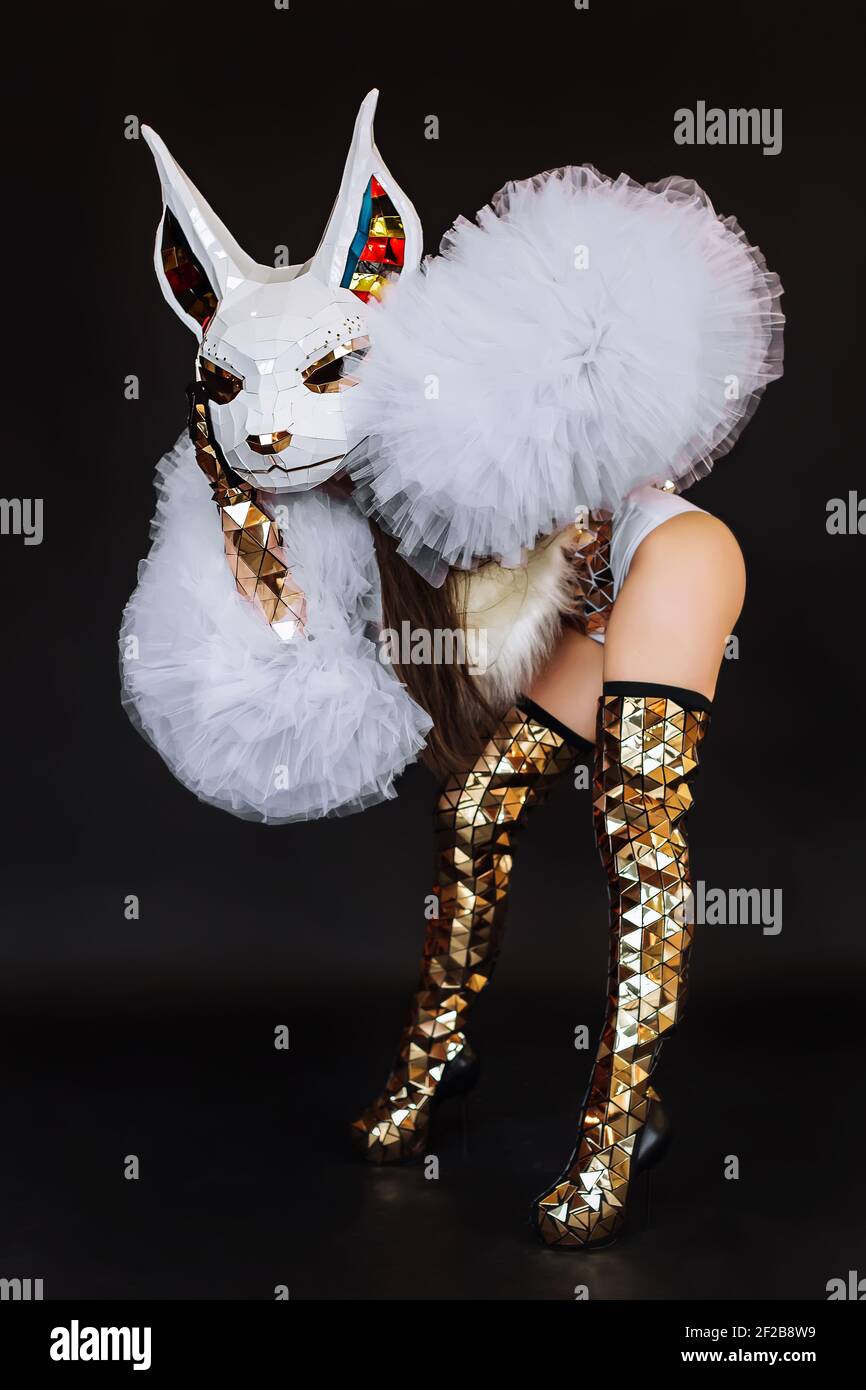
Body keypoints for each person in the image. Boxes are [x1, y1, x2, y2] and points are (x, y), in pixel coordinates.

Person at [122, 91, 784, 1250]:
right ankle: (440, 1055)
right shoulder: (304, 476)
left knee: (634, 823)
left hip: (659, 558)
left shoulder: (442, 408)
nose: (273, 425)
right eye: (237, 393)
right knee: (476, 809)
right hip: (588, 604)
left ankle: (619, 1115)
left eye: (319, 379)